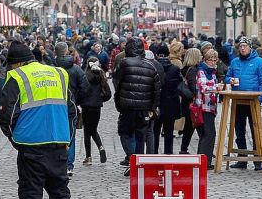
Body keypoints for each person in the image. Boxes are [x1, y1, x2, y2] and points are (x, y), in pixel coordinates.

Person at [0, 42, 80, 199]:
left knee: (31, 196)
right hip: (58, 143)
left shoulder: (18, 77)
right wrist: (67, 139)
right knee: (61, 193)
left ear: (17, 64)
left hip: (31, 146)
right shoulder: (59, 74)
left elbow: (7, 115)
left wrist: (15, 139)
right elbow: (72, 111)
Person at [112, 39, 163, 172]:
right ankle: (139, 162)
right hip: (144, 107)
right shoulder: (151, 66)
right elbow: (157, 90)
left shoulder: (124, 63)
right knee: (141, 134)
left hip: (127, 106)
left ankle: (132, 158)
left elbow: (117, 81)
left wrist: (119, 100)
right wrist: (152, 108)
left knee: (124, 132)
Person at [225, 37, 262, 170]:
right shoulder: (235, 62)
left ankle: (258, 160)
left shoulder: (259, 62)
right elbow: (227, 77)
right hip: (238, 101)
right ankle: (242, 158)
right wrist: (230, 80)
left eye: (245, 46)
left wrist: (259, 99)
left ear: (250, 47)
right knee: (239, 130)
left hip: (253, 101)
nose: (242, 48)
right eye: (240, 46)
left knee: (256, 130)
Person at [53, 42, 85, 176]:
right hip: (71, 104)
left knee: (55, 133)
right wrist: (77, 100)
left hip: (54, 105)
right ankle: (69, 165)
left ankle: (56, 162)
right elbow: (84, 87)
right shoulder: (76, 69)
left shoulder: (51, 68)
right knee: (70, 134)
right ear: (66, 52)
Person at [77, 53, 110, 165]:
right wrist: (100, 99)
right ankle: (100, 147)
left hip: (86, 106)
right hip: (97, 107)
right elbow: (108, 94)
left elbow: (81, 91)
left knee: (87, 131)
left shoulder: (85, 76)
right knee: (93, 129)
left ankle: (89, 157)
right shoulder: (102, 76)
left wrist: (79, 101)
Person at [192, 49, 222, 168]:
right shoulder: (201, 71)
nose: (213, 62)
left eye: (215, 60)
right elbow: (203, 87)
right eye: (210, 60)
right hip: (203, 106)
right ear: (205, 59)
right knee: (209, 134)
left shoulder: (212, 72)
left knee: (206, 134)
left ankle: (202, 161)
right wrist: (216, 87)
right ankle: (205, 162)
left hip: (211, 106)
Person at [153, 44, 183, 155]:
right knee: (169, 132)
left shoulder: (153, 67)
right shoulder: (175, 69)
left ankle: (154, 154)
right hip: (171, 104)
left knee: (155, 132)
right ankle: (168, 154)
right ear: (168, 55)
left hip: (156, 104)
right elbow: (179, 84)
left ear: (157, 55)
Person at [179, 48, 203, 155]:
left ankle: (184, 149)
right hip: (192, 103)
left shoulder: (185, 69)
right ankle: (204, 150)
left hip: (186, 103)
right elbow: (194, 87)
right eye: (199, 55)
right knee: (199, 127)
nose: (201, 57)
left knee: (189, 127)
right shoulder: (193, 70)